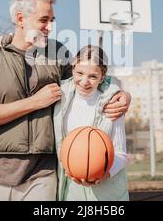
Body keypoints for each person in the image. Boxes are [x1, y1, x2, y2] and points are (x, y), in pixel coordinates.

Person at [0, 0, 131, 201]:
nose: (50, 27)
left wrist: (123, 94)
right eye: (43, 20)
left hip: (42, 173)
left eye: (52, 21)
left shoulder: (57, 53)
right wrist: (35, 102)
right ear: (20, 19)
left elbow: (87, 77)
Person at [54, 45, 129, 201]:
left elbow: (121, 154)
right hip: (70, 189)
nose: (84, 81)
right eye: (79, 73)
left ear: (102, 77)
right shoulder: (58, 97)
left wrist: (102, 174)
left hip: (107, 191)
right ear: (73, 68)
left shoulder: (114, 102)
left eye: (93, 76)